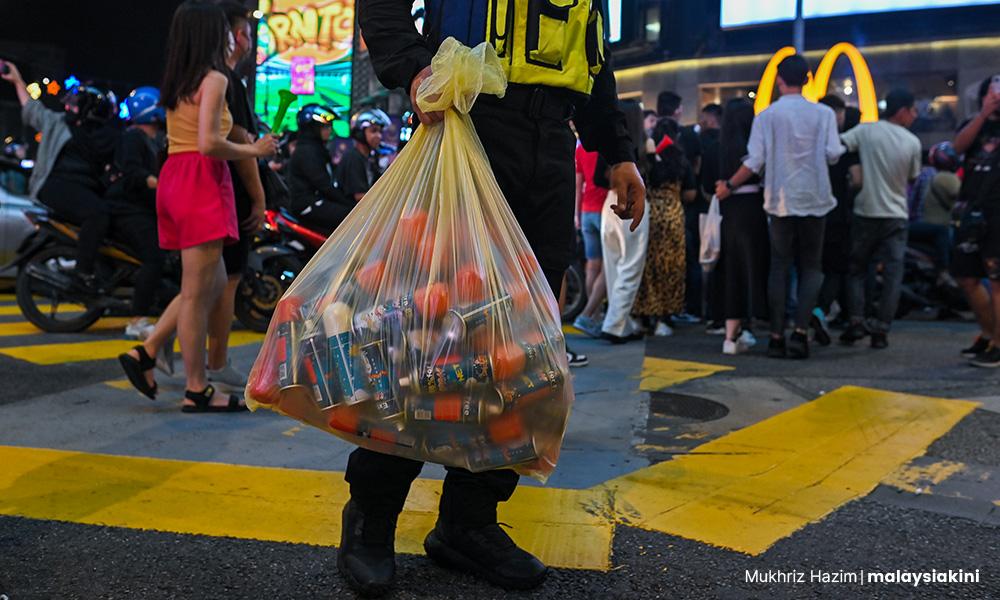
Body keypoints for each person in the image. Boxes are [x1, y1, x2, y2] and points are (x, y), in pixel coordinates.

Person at [350, 1, 646, 595]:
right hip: (467, 124)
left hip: (552, 145)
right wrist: (413, 67)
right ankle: (371, 518)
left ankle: (469, 520)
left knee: (518, 350)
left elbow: (589, 45)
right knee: (426, 337)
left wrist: (617, 151)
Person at [117, 0, 276, 409]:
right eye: (224, 30)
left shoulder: (178, 82)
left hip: (176, 178)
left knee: (211, 283)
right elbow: (208, 143)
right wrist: (255, 150)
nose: (231, 36)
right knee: (195, 293)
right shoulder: (215, 79)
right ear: (211, 34)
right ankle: (196, 388)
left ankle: (147, 351)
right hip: (201, 181)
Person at [715, 54, 844, 359]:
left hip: (779, 200)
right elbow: (833, 153)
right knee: (811, 266)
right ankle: (800, 333)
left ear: (779, 80)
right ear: (808, 79)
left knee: (779, 266)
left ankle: (775, 337)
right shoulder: (824, 113)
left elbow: (756, 160)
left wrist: (730, 185)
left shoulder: (766, 116)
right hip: (815, 199)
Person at [1, 63, 119, 292]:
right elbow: (32, 108)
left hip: (83, 189)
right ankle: (82, 273)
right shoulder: (57, 123)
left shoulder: (107, 138)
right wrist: (17, 81)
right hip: (55, 186)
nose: (70, 107)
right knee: (98, 215)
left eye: (76, 104)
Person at [838, 89, 922, 349]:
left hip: (865, 211)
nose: (915, 115)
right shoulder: (912, 142)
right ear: (902, 111)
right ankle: (881, 330)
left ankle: (856, 320)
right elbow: (912, 177)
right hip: (896, 216)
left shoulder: (866, 131)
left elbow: (839, 145)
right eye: (913, 110)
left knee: (857, 270)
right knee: (893, 276)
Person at [105, 86, 167, 340]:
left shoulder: (154, 139)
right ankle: (137, 319)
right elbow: (133, 173)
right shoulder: (133, 138)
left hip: (145, 208)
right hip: (128, 210)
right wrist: (158, 183)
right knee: (154, 257)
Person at [710, 98, 769, 354]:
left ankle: (729, 336)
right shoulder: (754, 145)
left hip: (727, 210)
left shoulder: (718, 146)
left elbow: (708, 182)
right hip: (752, 208)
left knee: (731, 269)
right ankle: (750, 325)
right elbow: (759, 167)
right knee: (753, 268)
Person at [951, 75, 1000, 366]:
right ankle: (988, 334)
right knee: (966, 278)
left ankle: (998, 344)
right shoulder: (975, 123)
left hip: (998, 214)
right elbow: (957, 148)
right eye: (992, 92)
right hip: (970, 211)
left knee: (997, 281)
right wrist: (983, 114)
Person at [631, 117, 694, 337]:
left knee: (647, 266)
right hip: (673, 215)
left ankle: (643, 316)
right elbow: (691, 193)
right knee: (671, 266)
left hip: (648, 214)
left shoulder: (646, 159)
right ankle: (664, 318)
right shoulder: (681, 159)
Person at [596, 100, 651, 342]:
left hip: (609, 203)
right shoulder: (644, 143)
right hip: (634, 201)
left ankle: (622, 323)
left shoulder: (608, 146)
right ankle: (615, 324)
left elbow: (598, 178)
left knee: (613, 265)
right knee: (630, 265)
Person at [658, 90, 704, 323]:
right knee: (685, 260)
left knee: (658, 262)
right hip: (680, 207)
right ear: (677, 110)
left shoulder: (649, 134)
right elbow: (696, 170)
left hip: (651, 209)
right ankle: (688, 307)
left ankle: (661, 313)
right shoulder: (687, 135)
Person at [817, 99, 862, 331]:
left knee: (813, 266)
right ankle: (821, 311)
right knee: (839, 267)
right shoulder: (844, 147)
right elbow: (857, 179)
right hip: (839, 213)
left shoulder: (813, 142)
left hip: (812, 211)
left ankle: (812, 312)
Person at [287, 103, 353, 233]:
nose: (329, 130)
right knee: (353, 217)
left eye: (329, 126)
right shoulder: (307, 152)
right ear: (312, 128)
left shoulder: (316, 149)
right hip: (307, 204)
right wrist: (351, 205)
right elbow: (324, 186)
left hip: (316, 201)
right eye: (324, 126)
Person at [571, 139, 610, 338]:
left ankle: (594, 315)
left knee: (592, 266)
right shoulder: (607, 145)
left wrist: (577, 214)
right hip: (605, 210)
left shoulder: (580, 149)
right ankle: (590, 314)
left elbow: (578, 185)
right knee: (608, 267)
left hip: (586, 211)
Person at [909, 142, 961, 281]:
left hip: (914, 223)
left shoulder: (925, 173)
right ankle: (944, 272)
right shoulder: (945, 177)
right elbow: (964, 198)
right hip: (929, 226)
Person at [337, 108, 390, 202]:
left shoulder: (369, 157)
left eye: (380, 132)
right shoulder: (353, 158)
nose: (379, 136)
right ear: (360, 133)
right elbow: (360, 196)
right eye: (373, 131)